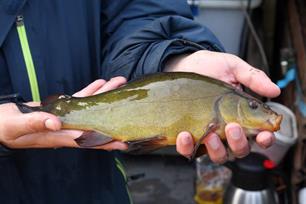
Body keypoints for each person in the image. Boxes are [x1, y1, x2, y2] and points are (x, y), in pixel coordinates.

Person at [0, 0, 280, 203]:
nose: (261, 110)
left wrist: (170, 58)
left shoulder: (217, 98)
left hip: (97, 189)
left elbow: (140, 12)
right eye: (255, 106)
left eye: (255, 105)